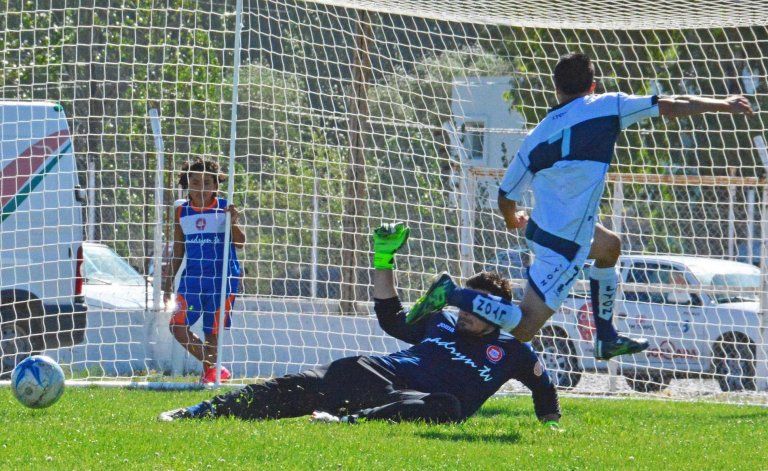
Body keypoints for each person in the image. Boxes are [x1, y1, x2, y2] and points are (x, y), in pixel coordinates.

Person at [409, 52, 754, 361]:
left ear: (555, 89)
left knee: (609, 247)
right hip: (564, 245)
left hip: (546, 229)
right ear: (594, 85)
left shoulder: (536, 137)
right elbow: (673, 103)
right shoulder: (608, 105)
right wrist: (724, 103)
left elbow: (505, 195)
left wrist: (511, 218)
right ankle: (451, 293)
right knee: (525, 327)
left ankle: (605, 338)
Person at [158, 223, 561, 427]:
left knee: (448, 406)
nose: (467, 314)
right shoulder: (440, 322)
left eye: (478, 308)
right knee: (288, 388)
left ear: (498, 314)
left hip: (413, 402)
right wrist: (384, 260)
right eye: (466, 305)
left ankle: (348, 421)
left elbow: (544, 388)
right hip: (374, 375)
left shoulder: (512, 353)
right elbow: (391, 318)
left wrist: (550, 425)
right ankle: (198, 412)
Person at [164, 158, 246, 384]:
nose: (202, 188)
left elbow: (240, 242)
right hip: (192, 280)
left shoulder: (224, 208)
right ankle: (215, 368)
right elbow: (178, 250)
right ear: (186, 183)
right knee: (177, 326)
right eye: (196, 181)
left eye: (207, 182)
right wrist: (167, 281)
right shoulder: (182, 211)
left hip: (222, 280)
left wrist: (234, 222)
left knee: (212, 333)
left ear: (216, 186)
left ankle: (209, 376)